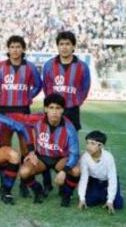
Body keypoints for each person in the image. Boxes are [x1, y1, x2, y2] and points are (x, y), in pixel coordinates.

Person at [0, 35, 42, 197]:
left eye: (18, 47)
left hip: (23, 110)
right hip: (4, 111)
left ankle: (24, 183)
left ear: (23, 49)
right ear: (8, 49)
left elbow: (38, 85)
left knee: (25, 147)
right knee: (5, 148)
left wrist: (29, 96)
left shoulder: (30, 68)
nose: (15, 50)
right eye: (12, 47)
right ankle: (5, 183)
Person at [41, 31, 90, 194]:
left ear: (73, 46)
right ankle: (47, 181)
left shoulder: (82, 66)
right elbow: (46, 86)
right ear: (57, 46)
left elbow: (85, 87)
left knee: (69, 148)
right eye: (61, 44)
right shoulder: (49, 65)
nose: (64, 47)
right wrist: (51, 106)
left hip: (71, 110)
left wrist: (76, 102)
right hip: (53, 109)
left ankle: (64, 183)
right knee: (46, 143)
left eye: (68, 44)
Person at [18, 93, 80, 207]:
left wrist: (64, 171)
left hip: (61, 159)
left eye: (58, 108)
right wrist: (31, 150)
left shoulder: (70, 128)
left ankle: (67, 194)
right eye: (51, 108)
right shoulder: (36, 119)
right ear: (46, 109)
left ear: (63, 110)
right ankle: (37, 190)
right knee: (24, 172)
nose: (54, 112)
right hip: (41, 158)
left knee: (76, 170)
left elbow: (75, 154)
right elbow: (23, 125)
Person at [78, 130, 124, 214]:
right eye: (87, 143)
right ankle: (102, 195)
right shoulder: (85, 157)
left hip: (107, 180)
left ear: (101, 146)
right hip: (95, 180)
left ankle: (109, 195)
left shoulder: (108, 157)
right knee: (88, 202)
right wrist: (82, 198)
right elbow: (84, 178)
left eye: (93, 143)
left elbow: (112, 179)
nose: (88, 146)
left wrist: (110, 200)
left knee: (118, 205)